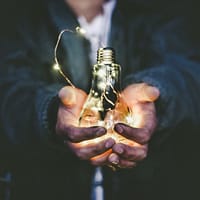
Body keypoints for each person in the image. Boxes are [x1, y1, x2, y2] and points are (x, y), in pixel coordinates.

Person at [0, 0, 200, 199]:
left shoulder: (162, 12)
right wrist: (50, 113)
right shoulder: (21, 15)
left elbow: (189, 72)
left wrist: (158, 96)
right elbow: (9, 91)